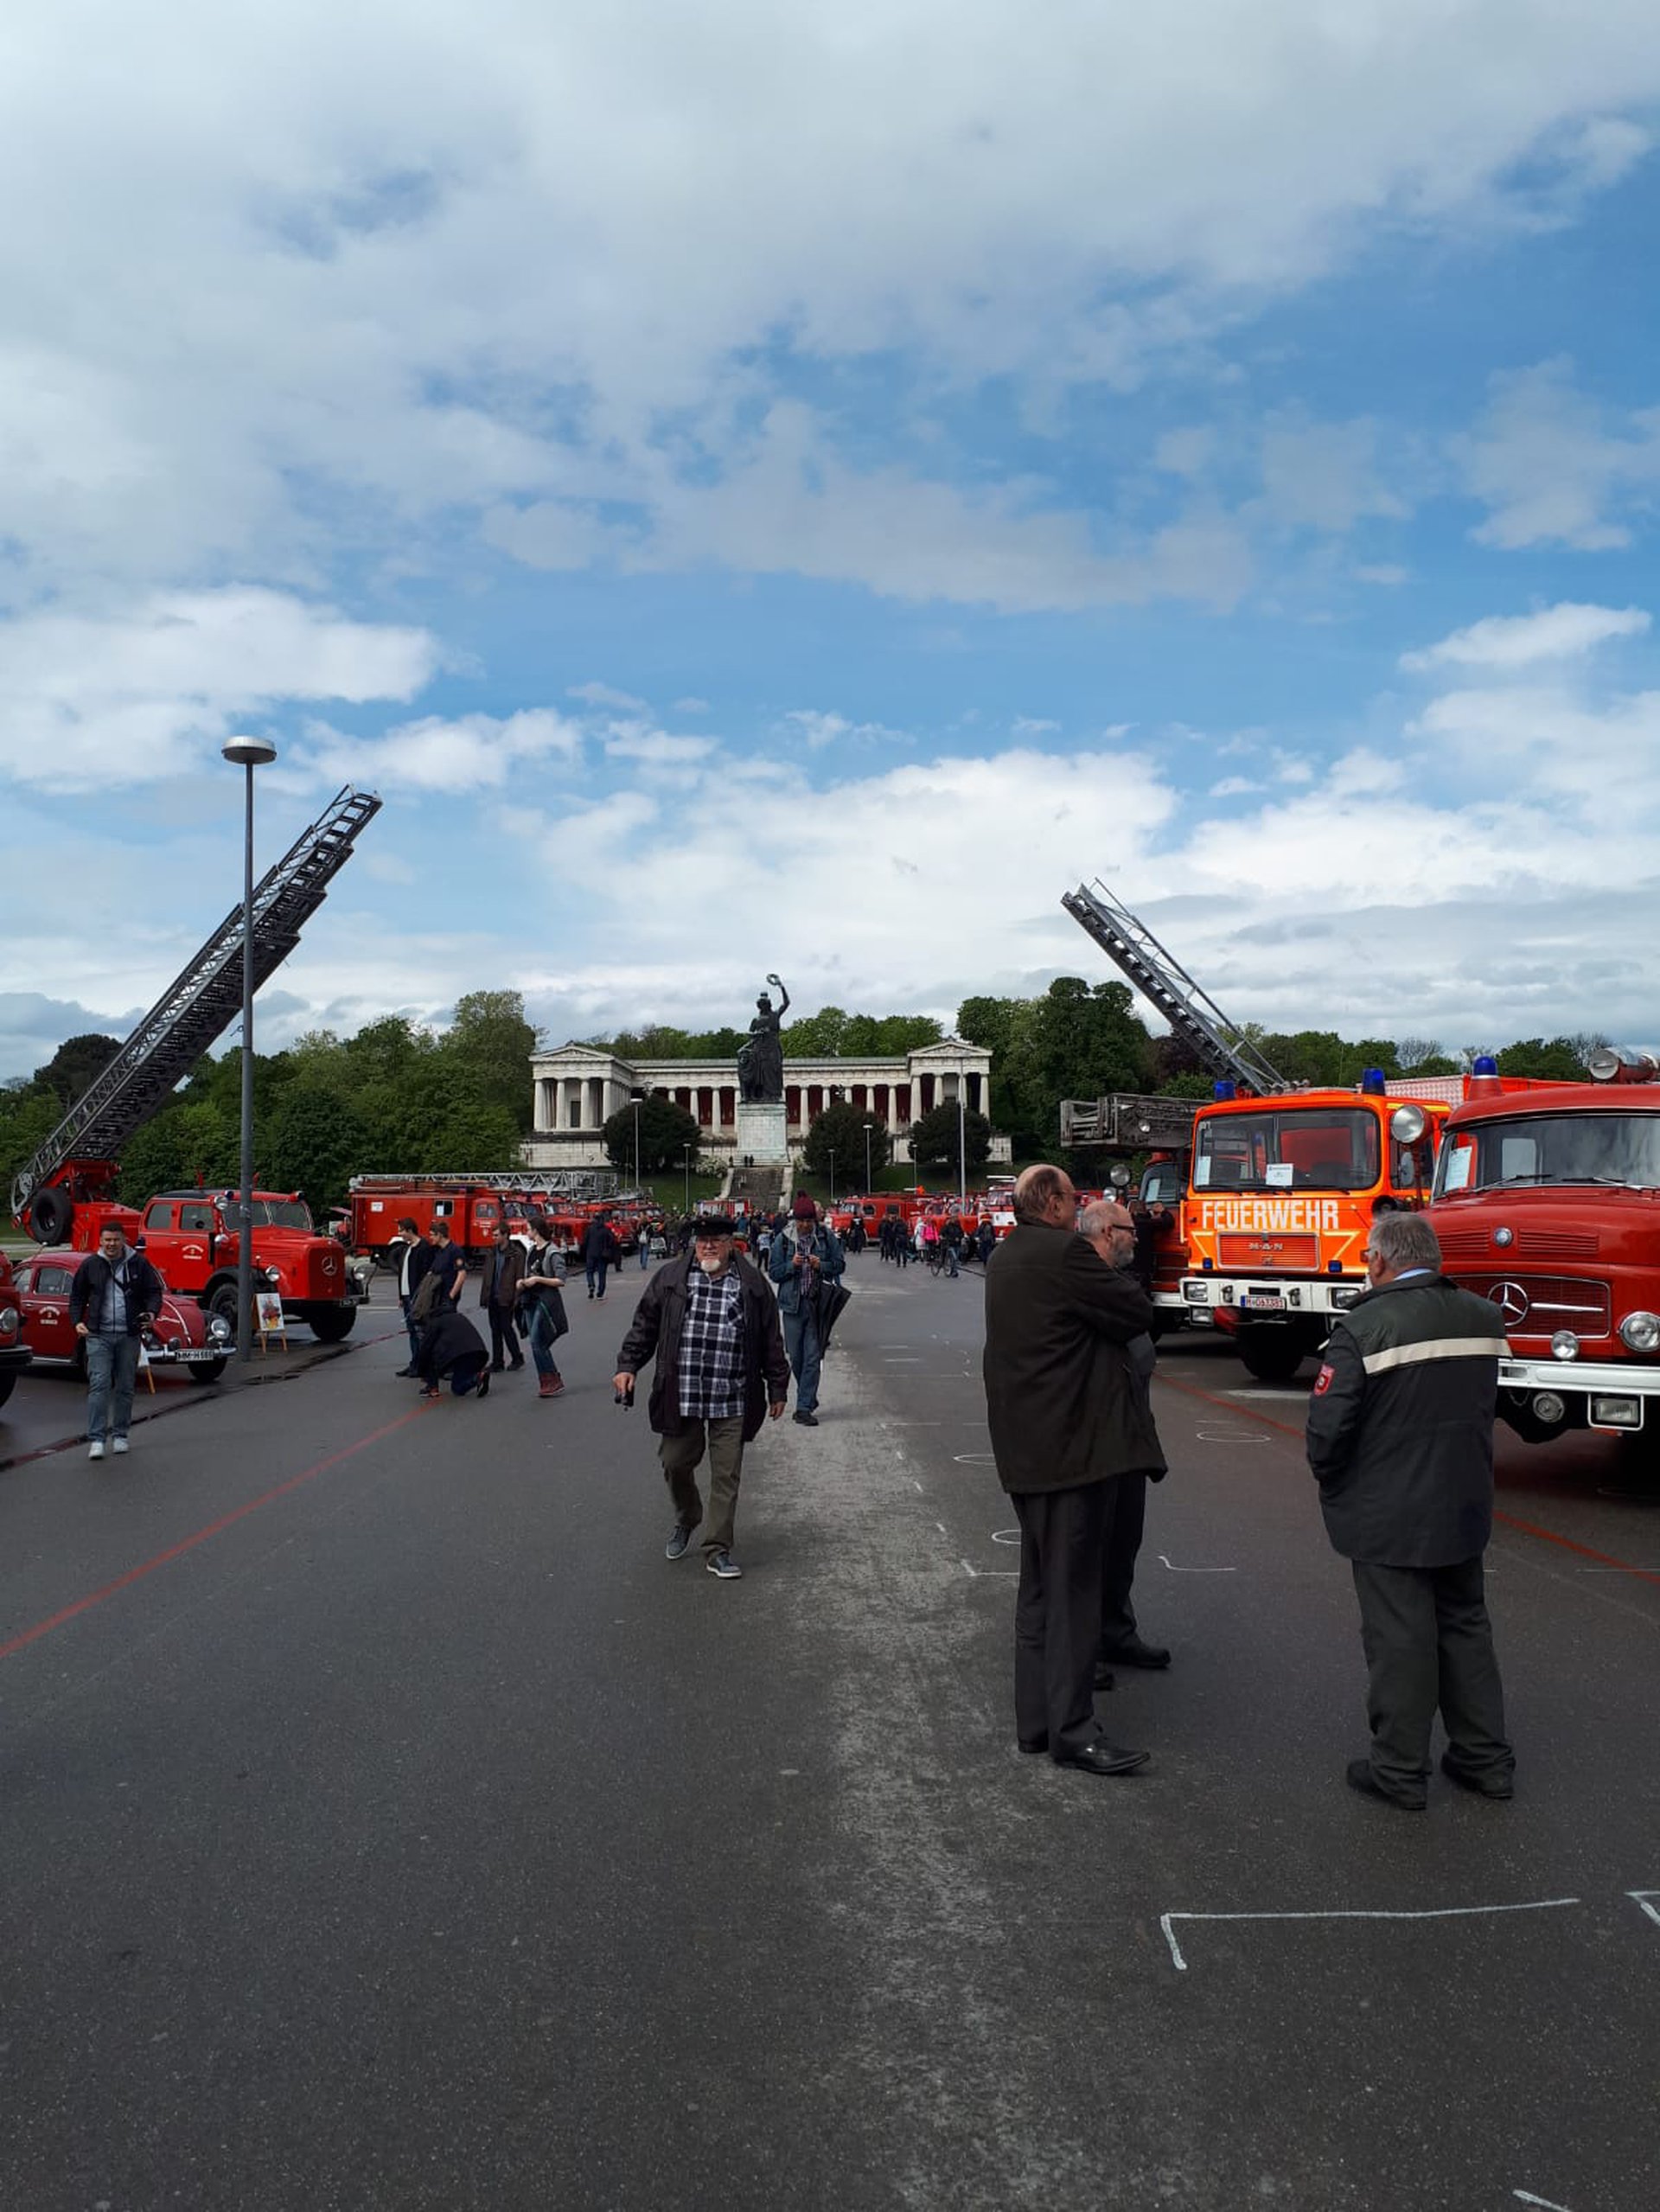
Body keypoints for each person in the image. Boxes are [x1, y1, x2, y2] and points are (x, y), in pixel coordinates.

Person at [1306, 1209, 1515, 1810]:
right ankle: (1484, 1760)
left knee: (1401, 1638)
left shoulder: (1364, 1328)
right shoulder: (1481, 1315)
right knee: (1465, 1628)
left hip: (1388, 1510)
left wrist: (1332, 1479)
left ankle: (1399, 1768)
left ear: (1378, 1260)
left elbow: (1328, 1429)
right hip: (1463, 1502)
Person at [983, 1165, 1163, 1776]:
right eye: (1073, 1197)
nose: (1077, 1204)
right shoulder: (1066, 1254)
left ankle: (1036, 1722)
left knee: (1038, 1591)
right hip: (1072, 1449)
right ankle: (1074, 1729)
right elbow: (1136, 1310)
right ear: (1055, 1203)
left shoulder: (1007, 1255)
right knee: (1074, 1595)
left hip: (1025, 1446)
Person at [614, 1214, 788, 1580]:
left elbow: (771, 1338)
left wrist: (777, 1386)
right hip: (683, 1392)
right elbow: (645, 1325)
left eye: (717, 1239)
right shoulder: (671, 1278)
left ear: (731, 1243)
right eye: (702, 1240)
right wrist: (628, 1365)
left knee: (727, 1476)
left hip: (732, 1394)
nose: (708, 1246)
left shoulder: (753, 1283)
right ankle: (688, 1516)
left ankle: (717, 1548)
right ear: (694, 1242)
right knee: (674, 1463)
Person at [1079, 1200, 1171, 1677]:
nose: (1138, 1237)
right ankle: (1083, 1646)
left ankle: (1116, 1631)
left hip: (1130, 1430)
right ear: (1106, 1233)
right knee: (1090, 1545)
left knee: (1124, 1539)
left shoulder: (1118, 1281)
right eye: (1130, 1231)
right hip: (1095, 1436)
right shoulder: (1084, 1282)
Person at [68, 1220, 166, 1460]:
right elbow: (77, 1296)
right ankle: (97, 1439)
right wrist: (76, 1321)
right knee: (99, 1384)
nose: (112, 1244)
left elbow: (154, 1292)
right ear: (101, 1241)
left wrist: (152, 1313)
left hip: (128, 1334)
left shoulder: (139, 1264)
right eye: (107, 1240)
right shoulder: (90, 1265)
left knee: (125, 1386)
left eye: (116, 1240)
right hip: (98, 1334)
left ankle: (121, 1434)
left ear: (124, 1240)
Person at [769, 1192, 846, 1427]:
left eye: (808, 1221)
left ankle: (803, 1407)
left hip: (816, 1305)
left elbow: (840, 1265)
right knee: (797, 1356)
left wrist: (819, 1265)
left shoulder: (825, 1237)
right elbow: (774, 1272)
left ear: (814, 1221)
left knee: (813, 1357)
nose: (804, 1226)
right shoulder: (782, 1240)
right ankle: (808, 1396)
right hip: (792, 1306)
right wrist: (790, 1267)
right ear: (794, 1220)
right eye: (801, 1221)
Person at [517, 1220, 569, 1399]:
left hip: (545, 1300)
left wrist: (538, 1280)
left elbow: (561, 1279)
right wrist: (522, 1282)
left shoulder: (552, 1252)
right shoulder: (531, 1251)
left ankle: (552, 1380)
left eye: (528, 1229)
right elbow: (528, 1274)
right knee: (536, 1340)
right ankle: (548, 1379)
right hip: (530, 1298)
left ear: (536, 1231)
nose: (526, 1232)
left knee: (537, 1341)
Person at [417, 1302, 492, 1399]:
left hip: (462, 1356)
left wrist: (422, 1373)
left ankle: (478, 1377)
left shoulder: (435, 1323)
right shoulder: (459, 1317)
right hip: (480, 1353)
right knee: (463, 1371)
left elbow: (425, 1351)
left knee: (457, 1389)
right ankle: (477, 1373)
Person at [478, 1223, 526, 1372]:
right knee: (495, 1330)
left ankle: (517, 1357)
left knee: (506, 1328)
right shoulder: (491, 1253)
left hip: (507, 1296)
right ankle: (497, 1361)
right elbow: (487, 1276)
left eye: (496, 1235)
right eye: (493, 1235)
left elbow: (519, 1277)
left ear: (505, 1235)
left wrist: (516, 1298)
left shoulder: (516, 1254)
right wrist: (485, 1296)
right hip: (493, 1296)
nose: (494, 1238)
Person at [392, 1217, 430, 1375]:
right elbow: (403, 1272)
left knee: (420, 1331)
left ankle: (422, 1365)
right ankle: (414, 1363)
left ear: (409, 1230)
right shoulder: (407, 1248)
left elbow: (425, 1274)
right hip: (407, 1295)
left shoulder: (423, 1247)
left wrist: (421, 1295)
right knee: (412, 1331)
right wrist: (401, 1295)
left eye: (401, 1230)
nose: (399, 1234)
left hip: (417, 1296)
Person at [583, 1211, 619, 1302]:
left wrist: (585, 1251)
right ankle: (600, 1293)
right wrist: (607, 1248)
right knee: (602, 1274)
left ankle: (591, 1285)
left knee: (589, 1272)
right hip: (603, 1255)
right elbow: (612, 1241)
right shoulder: (606, 1229)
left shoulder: (589, 1229)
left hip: (591, 1253)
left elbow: (585, 1241)